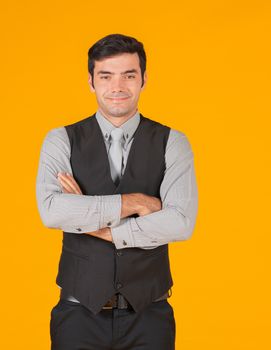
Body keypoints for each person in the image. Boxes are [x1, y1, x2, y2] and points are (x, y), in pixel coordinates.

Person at [35, 33, 198, 350]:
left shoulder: (173, 142)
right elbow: (52, 211)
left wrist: (93, 220)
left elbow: (180, 222)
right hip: (77, 315)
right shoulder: (61, 140)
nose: (118, 87)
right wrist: (136, 203)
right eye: (106, 76)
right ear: (91, 81)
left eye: (129, 75)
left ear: (144, 79)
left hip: (150, 316)